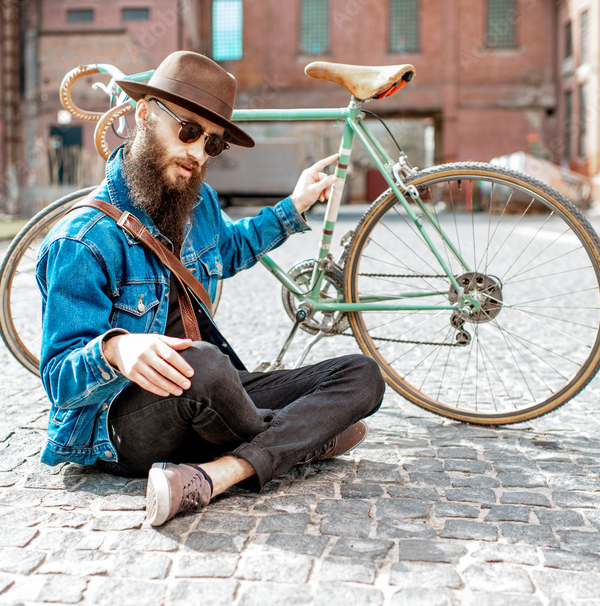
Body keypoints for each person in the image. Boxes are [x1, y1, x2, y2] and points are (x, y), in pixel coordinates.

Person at [36, 51, 385, 526]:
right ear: (144, 115)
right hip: (119, 427)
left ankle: (220, 473)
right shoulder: (83, 239)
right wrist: (116, 350)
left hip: (207, 396)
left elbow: (231, 248)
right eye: (187, 131)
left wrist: (294, 206)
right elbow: (58, 378)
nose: (198, 154)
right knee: (202, 361)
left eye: (212, 144)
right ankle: (301, 441)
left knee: (361, 373)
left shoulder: (196, 203)